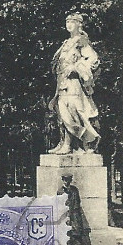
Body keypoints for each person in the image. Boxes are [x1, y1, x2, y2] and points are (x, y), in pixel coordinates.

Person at [48, 13, 100, 154]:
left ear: (79, 24)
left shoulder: (81, 41)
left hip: (74, 83)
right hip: (62, 82)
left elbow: (93, 60)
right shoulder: (66, 43)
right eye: (67, 22)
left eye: (72, 22)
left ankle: (78, 144)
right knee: (61, 112)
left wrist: (77, 67)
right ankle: (65, 142)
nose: (69, 24)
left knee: (73, 111)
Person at [59, 174, 92, 245]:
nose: (67, 182)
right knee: (68, 229)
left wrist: (76, 211)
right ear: (63, 180)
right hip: (66, 212)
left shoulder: (74, 189)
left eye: (69, 180)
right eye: (65, 180)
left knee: (79, 228)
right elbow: (60, 203)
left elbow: (78, 201)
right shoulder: (60, 191)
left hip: (76, 212)